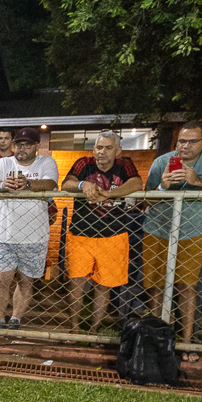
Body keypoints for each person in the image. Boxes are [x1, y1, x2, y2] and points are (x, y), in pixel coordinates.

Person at [144, 122, 202, 359]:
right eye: (182, 141)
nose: (185, 146)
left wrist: (198, 181)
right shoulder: (162, 161)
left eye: (192, 141)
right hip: (157, 230)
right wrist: (163, 186)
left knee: (187, 286)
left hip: (191, 232)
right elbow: (146, 200)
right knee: (155, 286)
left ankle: (186, 342)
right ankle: (157, 339)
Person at [60, 131, 142, 338]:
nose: (102, 152)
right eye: (99, 147)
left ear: (118, 151)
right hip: (81, 234)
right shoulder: (84, 163)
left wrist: (109, 194)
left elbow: (136, 183)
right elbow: (66, 184)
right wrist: (83, 184)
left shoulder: (125, 165)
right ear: (93, 149)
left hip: (113, 235)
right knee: (76, 283)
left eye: (108, 148)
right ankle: (74, 328)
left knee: (104, 286)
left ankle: (94, 330)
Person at [0, 127, 59, 332]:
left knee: (26, 282)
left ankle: (16, 319)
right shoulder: (4, 163)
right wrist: (2, 185)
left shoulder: (46, 162)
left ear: (36, 146)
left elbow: (50, 183)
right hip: (4, 234)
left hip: (35, 236)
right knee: (1, 281)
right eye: (18, 145)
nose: (21, 149)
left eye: (26, 145)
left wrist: (28, 184)